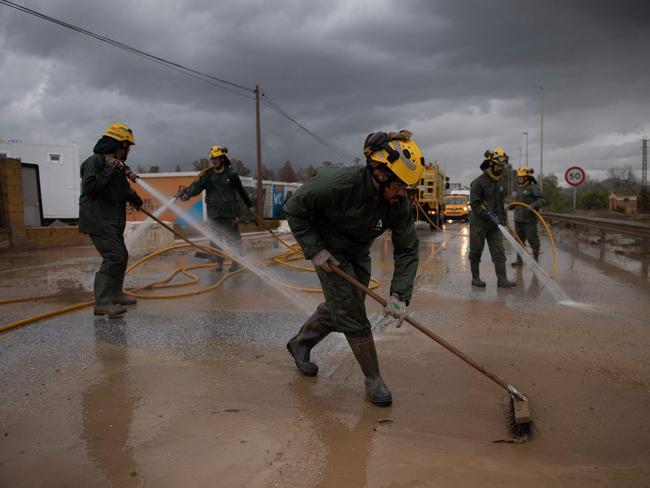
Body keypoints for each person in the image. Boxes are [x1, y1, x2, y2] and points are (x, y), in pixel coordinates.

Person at [283, 130, 423, 407]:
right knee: (352, 313)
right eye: (399, 186)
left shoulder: (398, 203)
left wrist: (400, 295)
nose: (403, 193)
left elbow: (407, 248)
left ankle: (301, 342)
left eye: (407, 187)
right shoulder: (336, 184)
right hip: (328, 250)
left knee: (344, 305)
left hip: (358, 251)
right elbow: (294, 208)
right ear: (380, 175)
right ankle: (373, 379)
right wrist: (315, 249)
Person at [79, 123, 143, 317]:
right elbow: (90, 188)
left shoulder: (117, 166)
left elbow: (122, 188)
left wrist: (134, 198)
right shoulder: (95, 161)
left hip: (112, 221)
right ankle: (102, 303)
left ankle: (116, 294)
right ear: (117, 145)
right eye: (126, 147)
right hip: (97, 219)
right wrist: (110, 169)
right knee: (114, 256)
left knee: (121, 255)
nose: (128, 151)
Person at [178, 146, 254, 271]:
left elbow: (241, 192)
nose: (214, 161)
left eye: (216, 158)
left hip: (229, 213)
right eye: (212, 159)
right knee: (216, 239)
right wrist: (187, 195)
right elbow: (197, 187)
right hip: (214, 213)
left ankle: (235, 262)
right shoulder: (208, 175)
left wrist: (250, 205)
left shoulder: (232, 174)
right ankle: (219, 262)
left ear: (222, 159)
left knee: (231, 238)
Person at [468, 147, 516, 288]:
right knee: (476, 251)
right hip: (479, 223)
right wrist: (488, 215)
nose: (501, 168)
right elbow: (475, 205)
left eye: (502, 166)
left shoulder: (499, 182)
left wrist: (503, 220)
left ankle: (502, 280)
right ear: (490, 164)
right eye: (498, 165)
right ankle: (475, 278)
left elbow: (501, 204)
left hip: (495, 224)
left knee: (499, 251)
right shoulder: (478, 183)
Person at [510, 166, 544, 265]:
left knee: (533, 240)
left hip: (529, 220)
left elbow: (541, 200)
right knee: (519, 240)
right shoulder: (519, 188)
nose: (519, 179)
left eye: (522, 177)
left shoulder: (533, 187)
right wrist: (512, 205)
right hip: (518, 219)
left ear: (527, 177)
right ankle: (519, 260)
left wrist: (532, 206)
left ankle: (535, 261)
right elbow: (518, 202)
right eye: (519, 177)